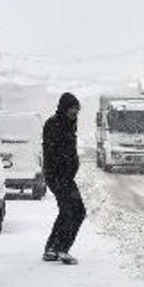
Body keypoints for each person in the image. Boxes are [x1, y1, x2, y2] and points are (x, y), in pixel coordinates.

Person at [42, 92, 85, 264]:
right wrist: (62, 171)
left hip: (66, 177)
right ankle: (62, 249)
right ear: (64, 108)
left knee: (68, 211)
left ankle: (52, 248)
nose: (75, 113)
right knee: (76, 211)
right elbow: (52, 152)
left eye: (77, 110)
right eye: (72, 109)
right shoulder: (53, 124)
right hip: (58, 177)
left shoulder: (69, 124)